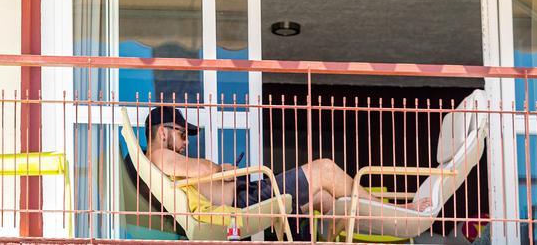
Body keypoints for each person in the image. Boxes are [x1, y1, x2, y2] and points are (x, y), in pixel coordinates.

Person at [142, 106, 427, 240]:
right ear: (163, 133)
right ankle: (399, 212)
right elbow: (202, 168)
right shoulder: (158, 156)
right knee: (325, 168)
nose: (186, 142)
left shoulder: (163, 163)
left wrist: (221, 173)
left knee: (325, 198)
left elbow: (200, 173)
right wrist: (221, 169)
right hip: (244, 202)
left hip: (246, 195)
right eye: (181, 134)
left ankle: (383, 226)